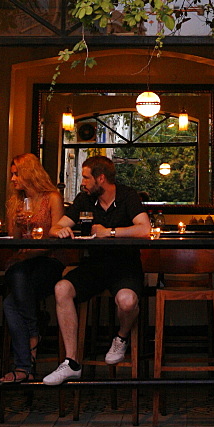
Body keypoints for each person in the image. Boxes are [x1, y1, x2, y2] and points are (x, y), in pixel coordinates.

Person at [43, 155, 150, 386]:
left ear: (101, 178)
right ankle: (71, 363)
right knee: (62, 288)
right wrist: (58, 231)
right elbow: (56, 226)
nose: (82, 181)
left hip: (125, 265)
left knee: (128, 301)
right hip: (95, 266)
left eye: (85, 177)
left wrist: (110, 232)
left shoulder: (127, 195)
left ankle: (121, 337)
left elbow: (145, 229)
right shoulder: (84, 199)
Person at [0, 153, 65, 382]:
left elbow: (55, 238)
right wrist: (17, 224)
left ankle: (23, 365)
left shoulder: (52, 198)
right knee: (12, 294)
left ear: (29, 173)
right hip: (22, 263)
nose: (13, 179)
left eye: (16, 174)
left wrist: (29, 254)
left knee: (11, 302)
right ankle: (31, 343)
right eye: (12, 174)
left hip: (47, 261)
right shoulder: (16, 201)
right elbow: (14, 240)